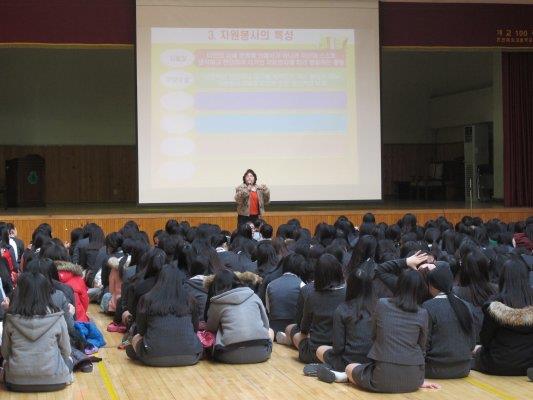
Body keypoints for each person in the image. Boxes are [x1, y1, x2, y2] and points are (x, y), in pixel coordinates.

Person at [346, 270, 440, 393]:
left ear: (399, 284)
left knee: (349, 367)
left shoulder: (382, 304)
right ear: (421, 289)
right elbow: (422, 347)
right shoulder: (422, 313)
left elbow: (374, 335)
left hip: (382, 376)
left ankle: (347, 377)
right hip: (414, 380)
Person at [1, 271, 73, 392]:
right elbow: (66, 351)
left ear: (19, 292)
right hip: (55, 381)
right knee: (69, 360)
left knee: (5, 364)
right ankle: (67, 377)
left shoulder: (10, 318)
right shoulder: (57, 317)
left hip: (16, 381)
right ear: (46, 292)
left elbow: (5, 353)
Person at [126, 265, 203, 367]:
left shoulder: (146, 299)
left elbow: (141, 331)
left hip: (152, 357)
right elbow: (195, 329)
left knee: (135, 338)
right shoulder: (190, 300)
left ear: (159, 279)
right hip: (191, 356)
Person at [314, 262, 376, 383]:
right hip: (373, 364)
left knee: (320, 349)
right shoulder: (379, 307)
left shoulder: (342, 309)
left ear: (350, 285)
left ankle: (344, 374)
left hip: (347, 361)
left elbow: (338, 348)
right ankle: (349, 376)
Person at [473, 259, 533, 376]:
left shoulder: (495, 305)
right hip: (529, 364)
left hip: (498, 364)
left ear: (503, 278)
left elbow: (485, 339)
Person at [285, 254, 346, 366]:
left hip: (313, 353)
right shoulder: (348, 293)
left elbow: (304, 328)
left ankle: (287, 341)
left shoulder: (312, 295)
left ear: (317, 274)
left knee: (290, 329)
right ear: (339, 270)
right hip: (339, 352)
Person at [206, 269, 273, 364]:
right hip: (261, 353)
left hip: (228, 355)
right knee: (271, 330)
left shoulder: (217, 302)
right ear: (237, 281)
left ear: (215, 286)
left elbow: (211, 328)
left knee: (218, 332)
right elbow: (266, 324)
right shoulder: (253, 296)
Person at [423, 264, 476, 379]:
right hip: (463, 369)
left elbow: (424, 344)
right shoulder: (466, 305)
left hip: (434, 369)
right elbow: (472, 342)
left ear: (431, 285)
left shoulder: (428, 306)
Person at [265, 253, 307, 333]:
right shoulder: (302, 285)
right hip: (293, 330)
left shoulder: (270, 285)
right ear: (301, 268)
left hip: (273, 330)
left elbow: (269, 310)